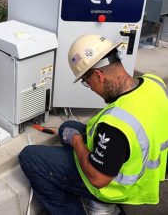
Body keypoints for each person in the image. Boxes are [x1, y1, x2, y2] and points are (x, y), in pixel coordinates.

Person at [19, 34, 168, 215]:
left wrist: (76, 142)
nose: (90, 88)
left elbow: (98, 178)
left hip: (115, 186)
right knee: (67, 127)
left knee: (29, 157)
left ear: (98, 75)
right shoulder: (154, 82)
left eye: (87, 83)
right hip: (138, 163)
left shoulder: (116, 125)